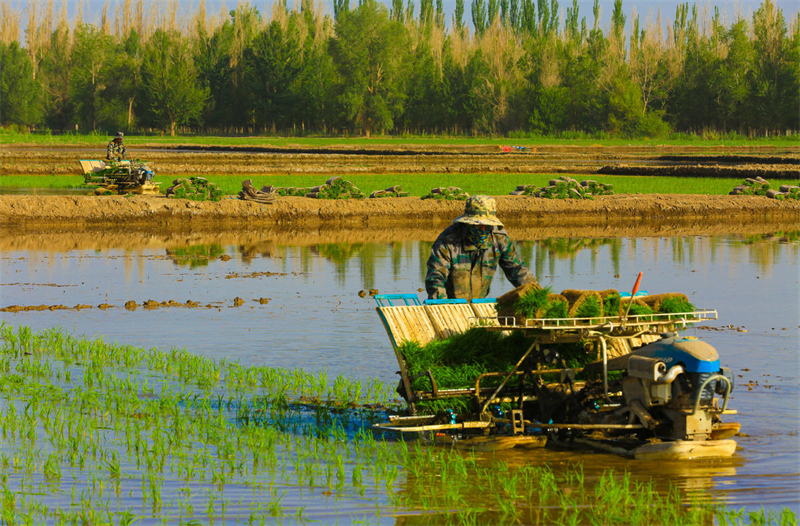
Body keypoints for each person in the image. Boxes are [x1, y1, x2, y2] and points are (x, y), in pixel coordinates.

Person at [425, 195, 537, 300]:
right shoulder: (448, 241)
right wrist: (442, 304)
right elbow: (436, 276)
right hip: (450, 302)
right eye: (478, 225)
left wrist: (536, 294)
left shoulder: (499, 240)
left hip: (479, 302)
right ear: (468, 223)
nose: (483, 229)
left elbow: (517, 270)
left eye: (487, 226)